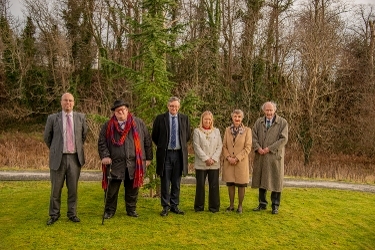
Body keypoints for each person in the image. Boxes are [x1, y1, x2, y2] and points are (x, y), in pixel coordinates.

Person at [98, 100, 153, 218]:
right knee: (112, 190)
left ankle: (131, 209)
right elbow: (102, 143)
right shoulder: (108, 126)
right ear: (115, 113)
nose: (121, 112)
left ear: (127, 110)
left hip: (135, 163)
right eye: (118, 110)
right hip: (115, 163)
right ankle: (109, 211)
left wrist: (148, 158)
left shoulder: (138, 123)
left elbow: (147, 140)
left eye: (123, 109)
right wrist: (105, 156)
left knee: (133, 189)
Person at [43, 92, 88, 225]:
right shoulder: (52, 118)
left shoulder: (81, 117)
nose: (68, 103)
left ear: (74, 103)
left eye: (70, 100)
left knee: (73, 189)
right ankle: (54, 214)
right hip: (58, 158)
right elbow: (47, 137)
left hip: (74, 158)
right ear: (61, 102)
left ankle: (72, 214)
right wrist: (56, 149)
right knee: (55, 189)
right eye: (65, 100)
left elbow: (83, 136)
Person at [152, 97, 191, 216]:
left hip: (179, 154)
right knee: (165, 181)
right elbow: (155, 136)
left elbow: (187, 136)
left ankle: (174, 205)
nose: (174, 108)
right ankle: (165, 206)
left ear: (179, 107)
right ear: (168, 106)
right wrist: (163, 145)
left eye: (176, 106)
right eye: (172, 106)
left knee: (176, 181)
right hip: (165, 154)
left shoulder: (184, 118)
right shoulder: (160, 118)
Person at [251, 101, 288, 214]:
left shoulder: (282, 122)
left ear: (275, 110)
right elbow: (253, 136)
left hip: (274, 157)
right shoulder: (259, 122)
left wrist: (269, 148)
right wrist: (258, 148)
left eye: (271, 110)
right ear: (264, 111)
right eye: (267, 110)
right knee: (262, 180)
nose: (269, 112)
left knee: (276, 182)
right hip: (261, 156)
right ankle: (262, 204)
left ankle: (275, 206)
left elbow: (283, 139)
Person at [221, 109, 252, 214]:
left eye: (239, 117)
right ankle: (231, 205)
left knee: (241, 184)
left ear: (242, 118)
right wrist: (228, 157)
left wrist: (237, 158)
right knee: (230, 184)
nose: (237, 119)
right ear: (232, 117)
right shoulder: (227, 130)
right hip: (229, 162)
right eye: (235, 117)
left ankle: (240, 206)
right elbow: (224, 146)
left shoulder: (247, 130)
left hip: (241, 162)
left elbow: (248, 147)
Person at [193, 111, 222, 213]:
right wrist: (206, 159)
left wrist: (213, 159)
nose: (208, 121)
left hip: (214, 164)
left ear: (212, 120)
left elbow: (219, 146)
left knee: (214, 185)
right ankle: (199, 207)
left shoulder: (216, 131)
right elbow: (196, 147)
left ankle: (214, 207)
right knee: (200, 185)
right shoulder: (197, 131)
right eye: (206, 119)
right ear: (202, 119)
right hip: (201, 164)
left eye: (209, 119)